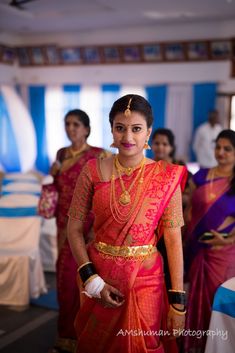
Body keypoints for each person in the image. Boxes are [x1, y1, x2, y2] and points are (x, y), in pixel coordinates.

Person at [67, 94, 187, 353]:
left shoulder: (166, 177)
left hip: (146, 282)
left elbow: (173, 239)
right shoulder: (92, 171)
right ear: (111, 129)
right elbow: (74, 228)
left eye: (136, 129)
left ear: (148, 132)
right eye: (120, 128)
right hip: (99, 278)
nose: (127, 137)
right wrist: (92, 281)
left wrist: (177, 302)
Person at [49, 109, 109, 353]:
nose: (71, 128)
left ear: (86, 128)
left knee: (88, 285)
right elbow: (57, 188)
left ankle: (89, 340)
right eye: (67, 124)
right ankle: (66, 338)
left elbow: (106, 193)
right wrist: (53, 175)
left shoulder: (99, 156)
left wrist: (98, 228)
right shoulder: (62, 155)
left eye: (76, 124)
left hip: (91, 230)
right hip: (64, 227)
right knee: (65, 284)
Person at [184, 129, 235, 353]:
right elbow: (187, 209)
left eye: (227, 149)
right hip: (197, 249)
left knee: (219, 300)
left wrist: (226, 241)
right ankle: (197, 344)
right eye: (218, 147)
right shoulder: (201, 176)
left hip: (224, 254)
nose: (221, 152)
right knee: (196, 299)